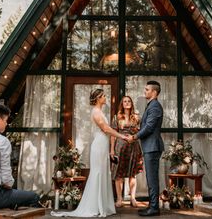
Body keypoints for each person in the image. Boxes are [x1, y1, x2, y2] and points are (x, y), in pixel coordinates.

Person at [51, 89, 129, 217]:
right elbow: (105, 128)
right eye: (103, 96)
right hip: (98, 146)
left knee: (103, 173)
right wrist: (122, 136)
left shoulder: (100, 111)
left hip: (103, 145)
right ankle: (95, 206)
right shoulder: (96, 112)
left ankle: (102, 205)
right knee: (97, 173)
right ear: (98, 98)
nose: (105, 97)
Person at [128, 80, 164, 217]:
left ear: (154, 92)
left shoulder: (155, 106)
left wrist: (135, 136)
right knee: (150, 178)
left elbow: (149, 128)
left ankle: (154, 208)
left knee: (152, 178)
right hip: (150, 147)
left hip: (153, 147)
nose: (145, 91)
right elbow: (147, 126)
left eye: (147, 89)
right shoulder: (151, 105)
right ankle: (152, 205)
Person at [110, 96, 143, 208]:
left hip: (134, 148)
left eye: (129, 101)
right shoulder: (117, 117)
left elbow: (141, 132)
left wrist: (134, 136)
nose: (127, 103)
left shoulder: (137, 118)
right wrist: (112, 150)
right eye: (125, 101)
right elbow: (113, 134)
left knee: (132, 174)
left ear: (131, 103)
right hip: (120, 148)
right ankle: (119, 199)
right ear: (122, 104)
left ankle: (133, 198)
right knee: (118, 174)